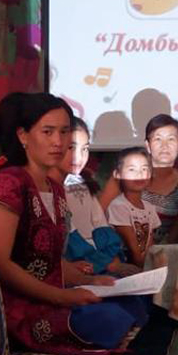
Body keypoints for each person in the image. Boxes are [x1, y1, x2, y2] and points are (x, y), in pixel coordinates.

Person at [0, 93, 147, 353]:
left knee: (132, 301)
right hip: (16, 302)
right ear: (23, 136)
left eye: (64, 131)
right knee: (108, 319)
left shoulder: (54, 188)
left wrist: (92, 280)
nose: (58, 142)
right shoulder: (8, 183)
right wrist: (62, 296)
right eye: (48, 132)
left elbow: (52, 261)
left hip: (54, 293)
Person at [55, 117, 135, 277]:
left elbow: (99, 222)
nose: (79, 156)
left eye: (85, 149)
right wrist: (105, 264)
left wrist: (112, 260)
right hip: (77, 261)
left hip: (99, 258)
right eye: (72, 148)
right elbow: (70, 236)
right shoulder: (51, 188)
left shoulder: (83, 182)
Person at [99, 114, 178, 244]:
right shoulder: (125, 176)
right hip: (114, 249)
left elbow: (177, 234)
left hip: (157, 252)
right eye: (158, 139)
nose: (164, 146)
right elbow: (97, 217)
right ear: (148, 145)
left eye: (171, 139)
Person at [106, 147, 160, 268]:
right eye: (132, 169)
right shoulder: (118, 206)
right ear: (118, 174)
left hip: (143, 264)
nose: (139, 174)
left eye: (144, 169)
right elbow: (134, 250)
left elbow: (150, 245)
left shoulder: (149, 208)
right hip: (123, 265)